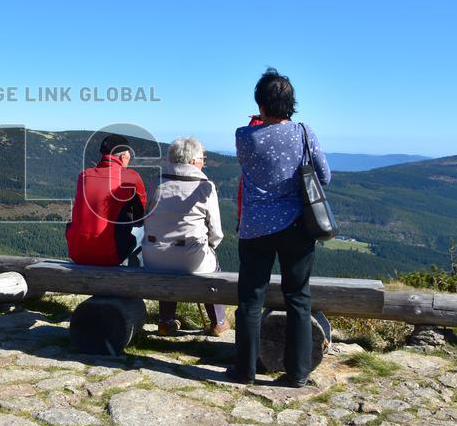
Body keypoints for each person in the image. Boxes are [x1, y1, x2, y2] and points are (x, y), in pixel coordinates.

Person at [228, 68, 331, 387]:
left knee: (250, 299)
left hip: (256, 227)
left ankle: (244, 370)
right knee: (298, 297)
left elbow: (251, 161)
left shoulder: (243, 135)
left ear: (260, 104)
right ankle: (298, 373)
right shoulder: (303, 132)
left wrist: (256, 122)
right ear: (292, 103)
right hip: (297, 226)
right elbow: (324, 176)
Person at [142, 137, 228, 336]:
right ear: (192, 161)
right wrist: (210, 246)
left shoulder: (156, 182)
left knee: (168, 260)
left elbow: (147, 218)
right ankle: (218, 322)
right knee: (213, 269)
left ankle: (165, 321)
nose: (204, 162)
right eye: (202, 158)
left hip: (153, 257)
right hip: (191, 257)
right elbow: (216, 231)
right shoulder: (205, 186)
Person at [65, 134, 148, 266]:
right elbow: (142, 216)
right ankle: (134, 279)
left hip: (77, 252)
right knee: (144, 230)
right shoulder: (132, 177)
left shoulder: (84, 175)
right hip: (109, 256)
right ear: (122, 157)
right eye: (129, 158)